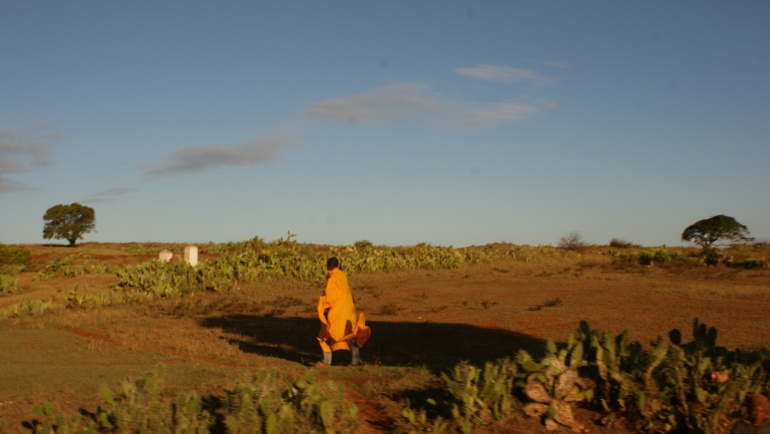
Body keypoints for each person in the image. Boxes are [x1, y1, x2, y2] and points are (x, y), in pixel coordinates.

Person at [316, 257, 370, 366]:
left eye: (327, 265)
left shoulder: (333, 277)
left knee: (325, 335)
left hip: (337, 312)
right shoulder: (342, 276)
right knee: (349, 335)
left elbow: (331, 297)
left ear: (330, 266)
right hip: (348, 311)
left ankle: (326, 362)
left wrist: (323, 305)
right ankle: (356, 361)